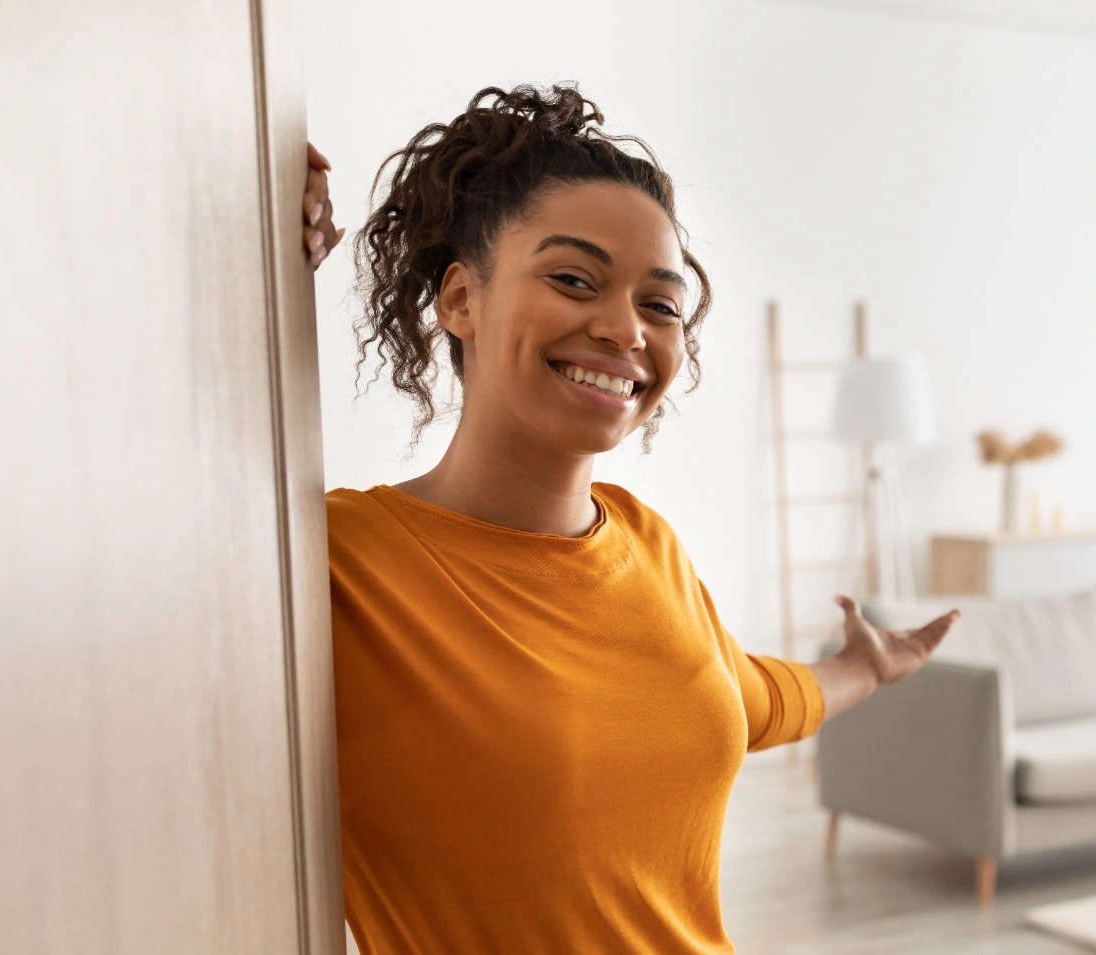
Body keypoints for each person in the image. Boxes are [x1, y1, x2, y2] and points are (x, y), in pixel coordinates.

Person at [302, 84, 959, 955]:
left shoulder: (646, 541)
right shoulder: (338, 561)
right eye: (574, 280)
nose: (625, 330)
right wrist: (229, 242)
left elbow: (745, 699)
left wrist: (864, 669)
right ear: (460, 298)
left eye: (660, 304)